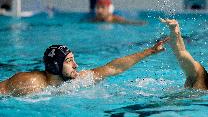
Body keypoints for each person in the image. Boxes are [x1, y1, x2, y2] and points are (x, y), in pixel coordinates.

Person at [0, 38, 168, 96]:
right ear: (56, 65)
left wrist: (150, 51)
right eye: (69, 61)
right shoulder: (30, 82)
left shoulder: (79, 79)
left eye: (73, 59)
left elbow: (114, 68)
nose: (76, 65)